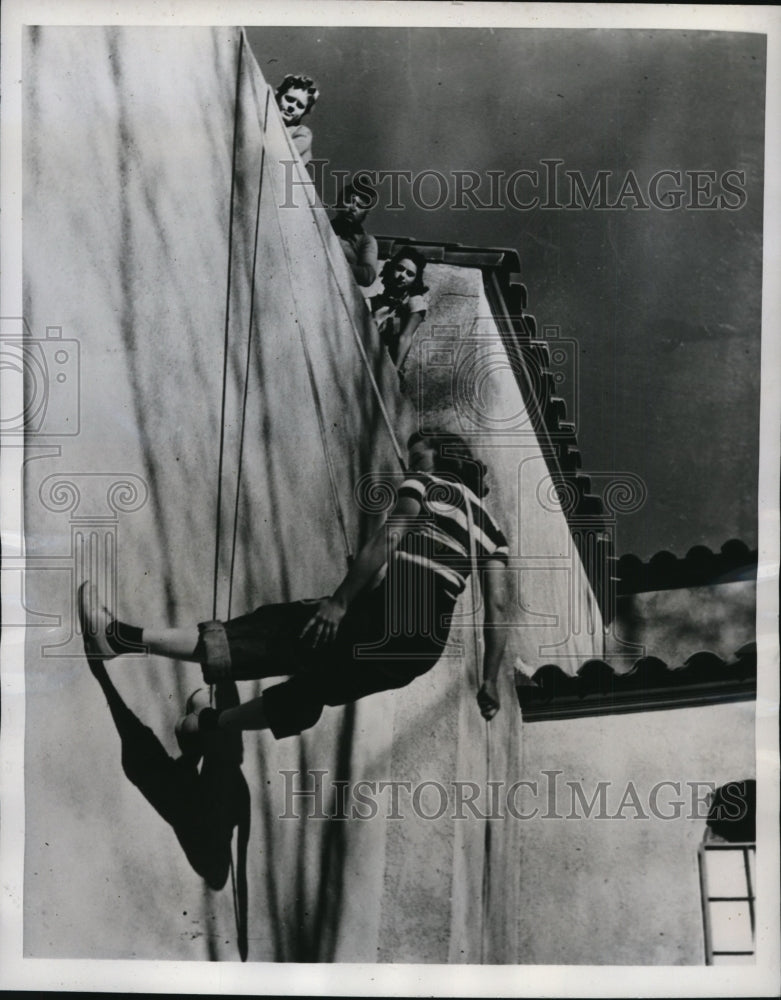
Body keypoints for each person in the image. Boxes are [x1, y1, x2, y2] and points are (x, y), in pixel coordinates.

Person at [78, 433, 509, 747]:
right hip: (419, 650)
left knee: (269, 634)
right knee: (313, 690)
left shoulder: (427, 486)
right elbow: (497, 607)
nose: (411, 466)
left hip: (387, 618)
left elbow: (388, 541)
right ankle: (204, 727)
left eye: (418, 457)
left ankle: (117, 639)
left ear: (441, 459)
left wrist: (340, 603)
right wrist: (488, 679)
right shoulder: (491, 531)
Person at [370, 246, 428, 369]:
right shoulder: (371, 302)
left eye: (410, 274)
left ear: (415, 280)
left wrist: (395, 371)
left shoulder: (415, 303)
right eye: (400, 268)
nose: (402, 275)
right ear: (391, 269)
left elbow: (405, 337)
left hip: (388, 366)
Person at [330, 177, 379, 287]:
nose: (353, 208)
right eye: (348, 201)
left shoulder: (366, 241)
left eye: (360, 205)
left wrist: (332, 263)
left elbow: (368, 276)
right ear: (338, 203)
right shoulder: (321, 228)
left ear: (367, 213)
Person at [275, 73, 319, 166]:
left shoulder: (302, 132)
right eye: (289, 99)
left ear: (304, 113)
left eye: (300, 105)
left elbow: (283, 154)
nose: (292, 106)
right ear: (278, 96)